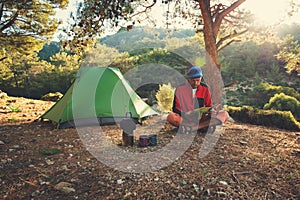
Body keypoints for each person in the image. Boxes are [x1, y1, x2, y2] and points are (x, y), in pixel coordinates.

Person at [167, 66, 229, 132]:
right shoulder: (180, 89)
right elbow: (176, 108)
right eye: (193, 81)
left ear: (201, 78)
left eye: (198, 80)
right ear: (188, 79)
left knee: (224, 114)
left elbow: (209, 106)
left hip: (201, 119)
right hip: (185, 119)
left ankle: (195, 128)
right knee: (171, 117)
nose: (196, 83)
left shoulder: (205, 88)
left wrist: (211, 111)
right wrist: (186, 114)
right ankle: (203, 127)